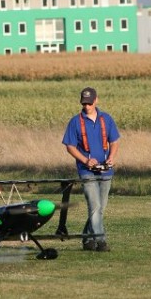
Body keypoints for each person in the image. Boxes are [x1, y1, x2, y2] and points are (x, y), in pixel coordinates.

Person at [62, 87, 120, 252]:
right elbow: (70, 147)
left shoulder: (106, 119)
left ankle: (87, 239)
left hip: (106, 171)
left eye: (89, 103)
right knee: (94, 206)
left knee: (100, 208)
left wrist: (111, 157)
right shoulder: (75, 122)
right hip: (86, 171)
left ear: (96, 101)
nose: (86, 106)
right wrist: (85, 161)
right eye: (84, 103)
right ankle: (101, 241)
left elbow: (114, 141)